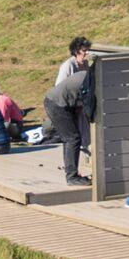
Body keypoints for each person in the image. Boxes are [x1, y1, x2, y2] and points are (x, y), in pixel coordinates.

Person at [44, 36, 96, 186]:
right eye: (84, 51)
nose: (86, 54)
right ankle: (72, 177)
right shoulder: (67, 66)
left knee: (71, 139)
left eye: (88, 51)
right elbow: (60, 87)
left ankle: (72, 172)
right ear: (76, 52)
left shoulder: (87, 66)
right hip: (58, 104)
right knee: (72, 138)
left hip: (70, 105)